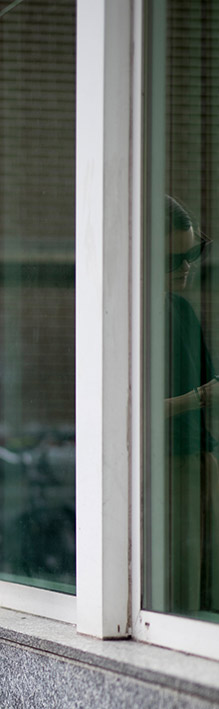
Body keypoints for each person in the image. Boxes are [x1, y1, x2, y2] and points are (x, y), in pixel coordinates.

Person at [163, 195, 219, 612]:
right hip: (162, 465)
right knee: (175, 594)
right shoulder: (133, 318)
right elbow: (129, 414)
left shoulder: (181, 310)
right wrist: (199, 398)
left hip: (198, 456)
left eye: (193, 253)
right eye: (173, 259)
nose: (186, 268)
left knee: (200, 585)